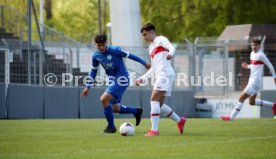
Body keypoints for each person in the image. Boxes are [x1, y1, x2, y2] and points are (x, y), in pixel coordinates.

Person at [81, 34, 151, 133]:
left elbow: (131, 56)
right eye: (98, 45)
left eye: (102, 45)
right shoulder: (96, 56)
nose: (101, 47)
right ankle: (136, 111)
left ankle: (111, 127)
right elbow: (93, 71)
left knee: (103, 99)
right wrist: (88, 86)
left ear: (106, 43)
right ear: (95, 45)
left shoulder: (115, 50)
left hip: (122, 79)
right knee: (115, 108)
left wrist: (145, 63)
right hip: (113, 81)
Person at [136, 23, 186, 136]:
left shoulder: (161, 39)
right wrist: (143, 78)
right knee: (159, 105)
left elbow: (172, 47)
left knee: (153, 100)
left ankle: (154, 130)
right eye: (143, 35)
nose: (144, 37)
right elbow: (154, 67)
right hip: (162, 75)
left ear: (152, 32)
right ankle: (180, 121)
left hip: (165, 74)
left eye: (145, 34)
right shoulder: (150, 47)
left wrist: (170, 54)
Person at [221, 39, 276, 121]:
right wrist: (248, 66)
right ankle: (273, 105)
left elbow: (270, 65)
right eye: (253, 45)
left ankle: (231, 117)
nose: (254, 46)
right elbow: (255, 66)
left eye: (256, 45)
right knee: (251, 102)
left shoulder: (261, 55)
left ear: (259, 46)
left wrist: (274, 77)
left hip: (255, 82)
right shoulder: (252, 54)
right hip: (252, 80)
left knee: (241, 98)